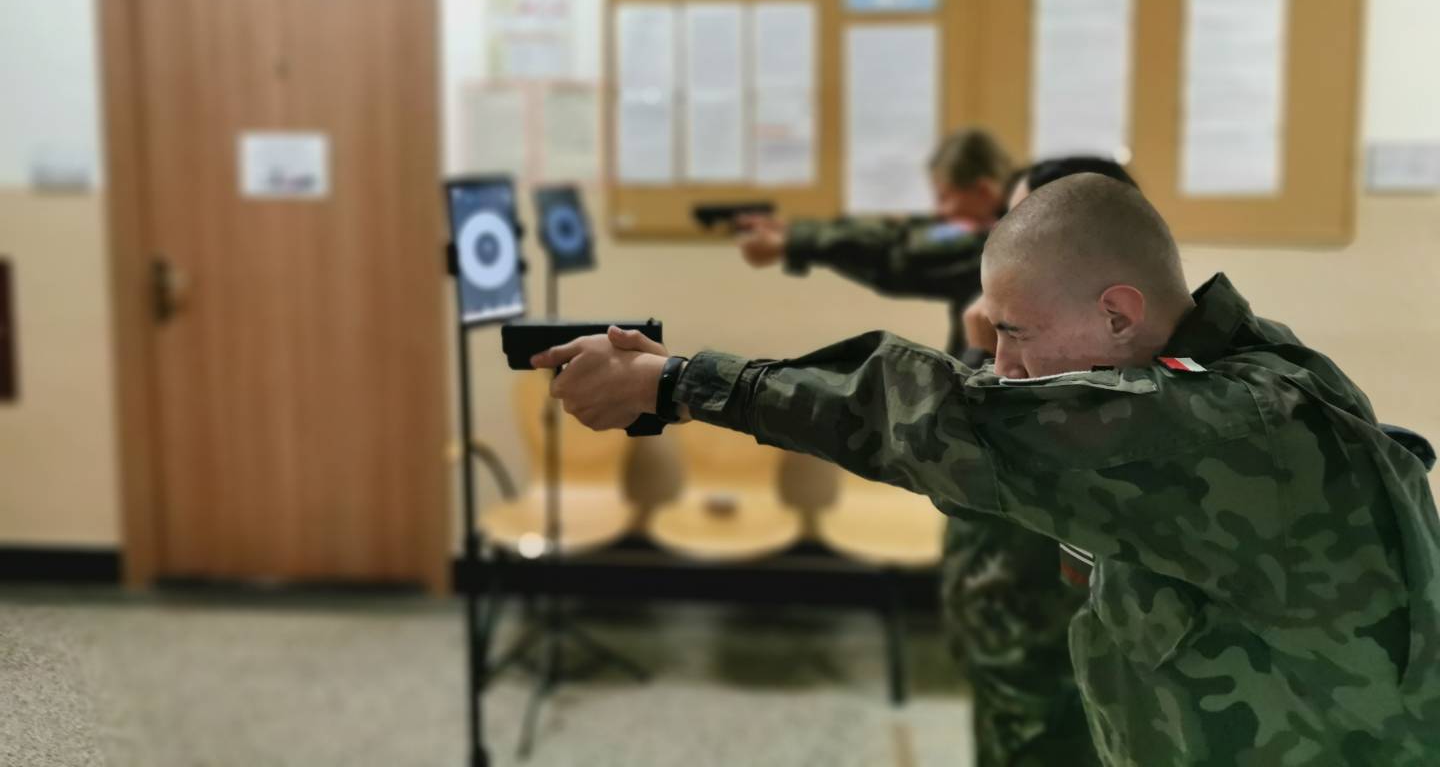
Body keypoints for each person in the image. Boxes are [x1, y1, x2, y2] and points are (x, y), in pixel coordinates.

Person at [534, 175, 1440, 766]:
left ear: (1118, 314)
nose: (1000, 366)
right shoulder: (1237, 361)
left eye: (1014, 333)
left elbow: (942, 418)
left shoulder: (1230, 422)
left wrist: (679, 383)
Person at [737, 148, 1135, 767]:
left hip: (1041, 625)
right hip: (1019, 614)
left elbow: (940, 433)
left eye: (958, 198)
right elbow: (905, 247)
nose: (952, 216)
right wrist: (799, 240)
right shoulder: (1014, 272)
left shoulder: (1104, 358)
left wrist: (991, 358)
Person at [732, 127, 1011, 356]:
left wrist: (795, 241)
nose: (940, 210)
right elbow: (905, 235)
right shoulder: (1004, 221)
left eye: (945, 197)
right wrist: (794, 231)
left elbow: (901, 255)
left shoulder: (1001, 242)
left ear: (984, 191)